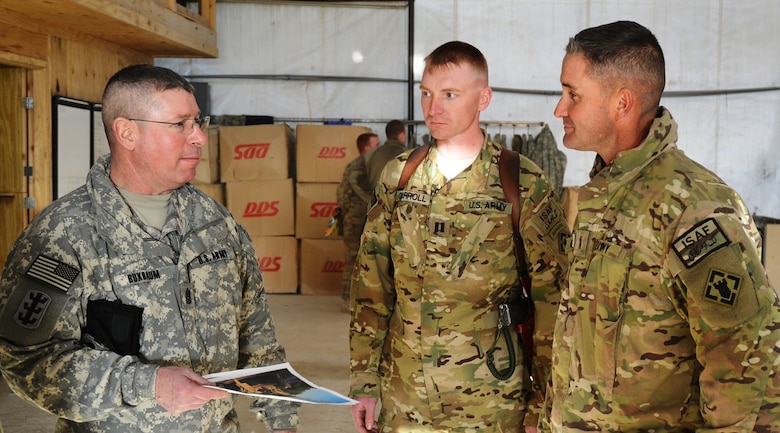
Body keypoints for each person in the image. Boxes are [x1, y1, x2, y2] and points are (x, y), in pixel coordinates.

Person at [0, 64, 298, 433]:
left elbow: (257, 336)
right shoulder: (63, 235)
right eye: (180, 124)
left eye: (198, 122)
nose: (200, 137)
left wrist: (282, 419)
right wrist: (149, 384)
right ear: (127, 133)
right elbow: (25, 360)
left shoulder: (216, 223)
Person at [543, 20, 780, 432]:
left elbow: (747, 354)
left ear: (621, 103)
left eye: (572, 94)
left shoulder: (692, 206)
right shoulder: (604, 194)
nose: (559, 109)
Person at [348, 40, 569, 433]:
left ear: (483, 98)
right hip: (406, 399)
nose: (434, 108)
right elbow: (372, 285)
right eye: (427, 94)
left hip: (490, 403)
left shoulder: (522, 184)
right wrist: (365, 381)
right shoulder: (399, 178)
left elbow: (553, 302)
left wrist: (542, 406)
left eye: (451, 95)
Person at [337, 132, 380, 311]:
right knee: (353, 258)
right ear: (367, 148)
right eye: (376, 145)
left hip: (360, 217)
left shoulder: (367, 165)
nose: (379, 148)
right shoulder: (359, 166)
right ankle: (348, 299)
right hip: (355, 219)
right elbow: (358, 191)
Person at [365, 119, 407, 190]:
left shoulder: (373, 154)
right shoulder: (408, 154)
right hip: (396, 199)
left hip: (374, 198)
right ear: (402, 135)